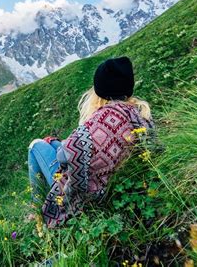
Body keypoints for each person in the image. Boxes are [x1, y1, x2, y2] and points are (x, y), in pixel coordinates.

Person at [27, 56, 154, 227]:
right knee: (53, 144)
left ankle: (36, 208)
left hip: (83, 194)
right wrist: (60, 143)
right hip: (111, 180)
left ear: (100, 90)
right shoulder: (137, 115)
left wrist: (62, 145)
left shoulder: (100, 119)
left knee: (36, 145)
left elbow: (68, 154)